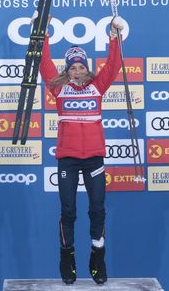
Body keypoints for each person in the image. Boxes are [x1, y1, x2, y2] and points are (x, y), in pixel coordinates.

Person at [39, 15, 125, 285]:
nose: (77, 71)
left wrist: (113, 35)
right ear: (67, 70)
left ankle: (97, 257)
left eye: (81, 67)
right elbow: (43, 66)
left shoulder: (97, 87)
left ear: (87, 69)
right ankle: (68, 258)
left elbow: (113, 66)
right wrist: (43, 35)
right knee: (68, 210)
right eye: (72, 67)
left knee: (97, 209)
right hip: (68, 160)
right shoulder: (59, 88)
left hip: (94, 159)